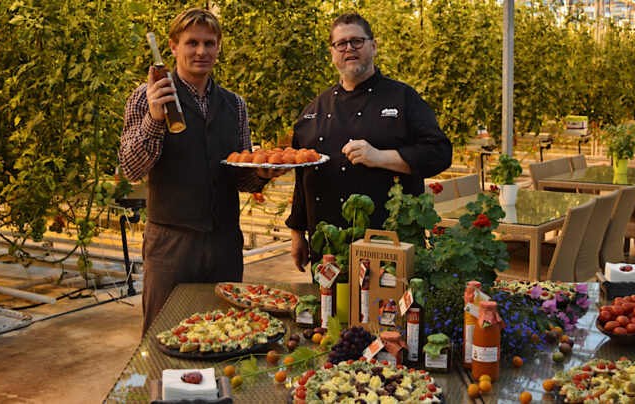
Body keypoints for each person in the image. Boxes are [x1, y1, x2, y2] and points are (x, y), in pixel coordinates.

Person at [119, 8, 283, 334]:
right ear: (173, 46)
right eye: (191, 42)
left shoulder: (234, 105)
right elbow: (132, 168)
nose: (201, 51)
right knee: (164, 337)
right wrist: (154, 119)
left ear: (219, 47)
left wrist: (263, 173)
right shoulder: (147, 96)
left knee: (227, 334)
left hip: (224, 244)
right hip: (171, 246)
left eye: (209, 43)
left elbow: (241, 178)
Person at [286, 13, 452, 271]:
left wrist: (380, 157)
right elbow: (302, 177)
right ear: (332, 52)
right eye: (341, 43)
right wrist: (297, 232)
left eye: (357, 41)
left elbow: (439, 152)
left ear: (373, 46)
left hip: (388, 245)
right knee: (329, 309)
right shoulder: (314, 110)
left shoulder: (403, 98)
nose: (349, 49)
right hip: (328, 247)